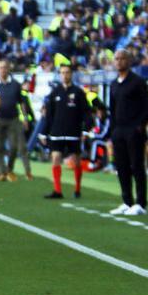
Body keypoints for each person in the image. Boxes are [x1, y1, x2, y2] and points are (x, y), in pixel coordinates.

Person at [109, 50, 148, 215]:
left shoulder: (138, 82)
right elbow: (112, 110)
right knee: (121, 167)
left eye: (123, 58)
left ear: (129, 61)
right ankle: (127, 201)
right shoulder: (113, 84)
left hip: (133, 130)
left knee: (137, 166)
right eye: (117, 59)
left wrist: (139, 126)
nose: (119, 61)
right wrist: (112, 132)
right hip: (118, 130)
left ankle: (141, 204)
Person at [38, 65, 91, 199]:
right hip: (57, 133)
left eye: (67, 72)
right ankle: (57, 190)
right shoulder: (55, 92)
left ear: (71, 74)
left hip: (73, 132)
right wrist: (44, 132)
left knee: (77, 161)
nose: (65, 75)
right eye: (62, 73)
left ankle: (77, 189)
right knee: (55, 158)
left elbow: (86, 113)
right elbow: (49, 115)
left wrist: (85, 130)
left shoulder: (78, 92)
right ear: (60, 75)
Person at [0, 60, 32, 182]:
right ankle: (2, 172)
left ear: (8, 69)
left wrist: (24, 117)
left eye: (5, 67)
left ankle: (9, 169)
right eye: (0, 68)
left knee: (14, 147)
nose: (3, 70)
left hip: (13, 119)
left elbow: (21, 102)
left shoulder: (16, 84)